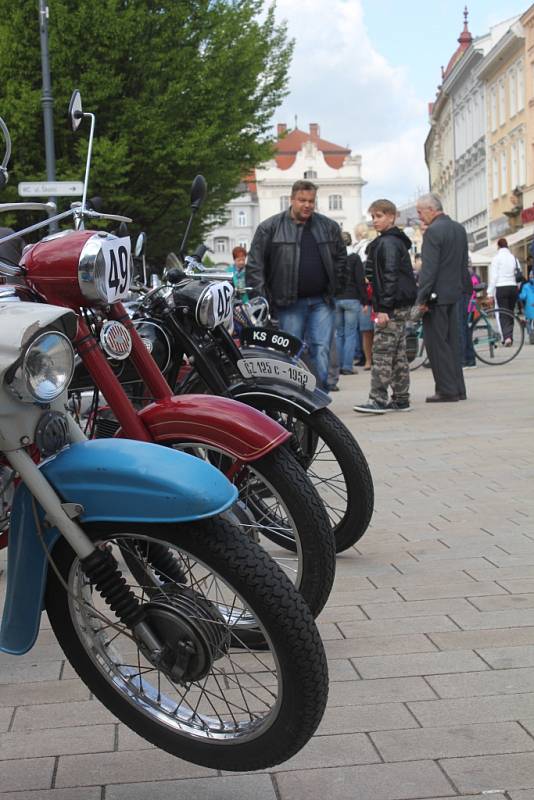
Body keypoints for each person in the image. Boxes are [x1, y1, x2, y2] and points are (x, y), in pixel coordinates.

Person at [246, 179, 347, 390]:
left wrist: (335, 288)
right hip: (288, 303)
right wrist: (262, 301)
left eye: (311, 201)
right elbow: (255, 266)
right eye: (302, 200)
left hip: (322, 300)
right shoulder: (270, 228)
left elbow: (341, 259)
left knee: (321, 348)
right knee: (290, 351)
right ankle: (294, 395)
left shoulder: (328, 227)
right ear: (292, 199)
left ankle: (318, 394)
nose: (307, 205)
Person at [353, 198, 417, 414]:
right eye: (373, 217)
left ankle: (378, 399)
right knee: (397, 353)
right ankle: (401, 398)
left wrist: (384, 308)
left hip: (391, 305)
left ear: (392, 216)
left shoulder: (388, 243)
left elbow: (389, 277)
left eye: (379, 216)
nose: (375, 221)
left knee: (381, 351)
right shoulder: (394, 241)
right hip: (398, 304)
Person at [414, 193, 467, 403]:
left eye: (420, 212)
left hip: (435, 297)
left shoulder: (433, 232)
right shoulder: (458, 228)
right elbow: (464, 263)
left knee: (437, 344)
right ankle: (458, 388)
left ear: (431, 209)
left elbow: (429, 270)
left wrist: (422, 299)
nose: (419, 217)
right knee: (453, 343)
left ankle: (446, 389)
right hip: (454, 294)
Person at [334, 231, 368, 375]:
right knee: (350, 334)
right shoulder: (354, 258)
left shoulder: (334, 259)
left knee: (339, 334)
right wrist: (365, 300)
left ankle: (337, 366)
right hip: (352, 298)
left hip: (336, 299)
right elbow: (360, 281)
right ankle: (347, 366)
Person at [487, 238, 519, 345]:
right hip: (513, 287)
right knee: (510, 312)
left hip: (501, 287)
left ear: (498, 246)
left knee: (503, 313)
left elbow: (494, 276)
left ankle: (507, 337)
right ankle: (510, 335)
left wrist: (490, 293)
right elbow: (519, 273)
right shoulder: (514, 258)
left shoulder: (496, 258)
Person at [519, 270, 534, 343]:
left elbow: (523, 297)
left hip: (529, 307)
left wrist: (518, 295)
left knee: (528, 321)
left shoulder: (526, 286)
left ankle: (530, 333)